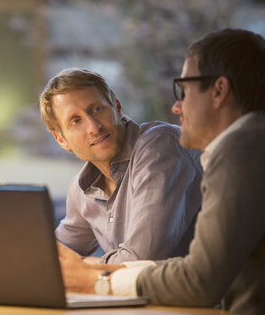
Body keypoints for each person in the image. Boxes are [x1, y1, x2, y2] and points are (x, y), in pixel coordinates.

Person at [57, 29, 265, 315]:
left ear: (219, 91)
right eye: (76, 121)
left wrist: (99, 279)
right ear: (61, 139)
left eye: (184, 89)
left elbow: (199, 281)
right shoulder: (250, 144)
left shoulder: (242, 150)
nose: (176, 106)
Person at [39, 68, 203, 264]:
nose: (94, 127)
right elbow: (52, 257)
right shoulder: (82, 189)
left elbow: (141, 258)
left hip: (209, 292)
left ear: (117, 107)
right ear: (61, 139)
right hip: (149, 295)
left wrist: (84, 267)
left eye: (97, 109)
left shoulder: (160, 146)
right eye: (76, 121)